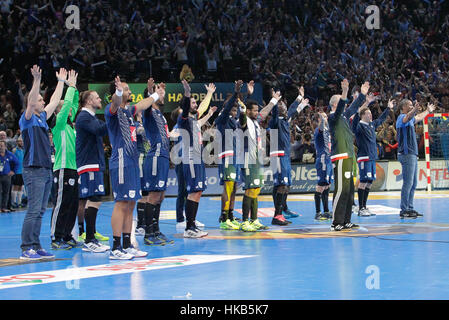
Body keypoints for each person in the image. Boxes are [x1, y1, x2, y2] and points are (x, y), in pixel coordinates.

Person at [105, 76, 163, 259]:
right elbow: (115, 102)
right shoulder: (111, 110)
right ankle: (115, 248)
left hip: (132, 162)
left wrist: (155, 95)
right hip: (121, 161)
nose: (129, 91)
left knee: (130, 204)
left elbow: (143, 104)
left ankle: (126, 244)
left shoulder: (129, 111)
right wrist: (119, 92)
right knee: (121, 203)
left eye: (128, 89)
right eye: (126, 89)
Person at [19, 65, 66, 260]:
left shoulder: (42, 118)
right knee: (33, 209)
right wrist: (36, 80)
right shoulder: (27, 119)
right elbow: (30, 102)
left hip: (46, 169)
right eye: (40, 99)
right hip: (33, 169)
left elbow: (55, 101)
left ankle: (36, 246)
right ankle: (26, 247)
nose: (42, 100)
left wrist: (61, 83)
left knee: (40, 210)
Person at [172, 83, 215, 230]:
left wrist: (209, 94)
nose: (196, 104)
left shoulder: (193, 121)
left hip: (196, 158)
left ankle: (191, 222)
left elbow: (201, 110)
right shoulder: (182, 121)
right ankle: (183, 222)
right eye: (192, 102)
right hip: (186, 159)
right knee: (185, 191)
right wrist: (187, 93)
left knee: (196, 191)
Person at [327, 79, 368, 231]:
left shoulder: (343, 116)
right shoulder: (333, 117)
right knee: (340, 190)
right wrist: (344, 91)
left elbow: (354, 107)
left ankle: (346, 220)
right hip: (340, 156)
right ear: (334, 104)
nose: (344, 105)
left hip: (349, 156)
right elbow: (343, 108)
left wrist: (362, 95)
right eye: (341, 101)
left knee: (350, 190)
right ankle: (336, 222)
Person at [238, 89, 280, 231]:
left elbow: (265, 112)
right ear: (248, 111)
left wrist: (274, 101)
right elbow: (242, 119)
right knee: (250, 190)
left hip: (256, 158)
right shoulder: (244, 121)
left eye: (257, 110)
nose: (256, 113)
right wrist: (242, 109)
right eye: (254, 111)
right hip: (248, 159)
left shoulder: (256, 122)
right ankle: (245, 221)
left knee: (256, 189)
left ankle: (254, 219)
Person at [49, 70, 83, 249]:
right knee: (61, 203)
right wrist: (69, 87)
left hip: (73, 168)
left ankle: (67, 234)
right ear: (58, 111)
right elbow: (70, 102)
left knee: (72, 204)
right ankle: (56, 237)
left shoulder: (70, 126)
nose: (70, 109)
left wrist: (75, 87)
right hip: (62, 168)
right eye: (65, 107)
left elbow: (74, 103)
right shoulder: (58, 123)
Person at [75, 89, 110, 253]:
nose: (100, 100)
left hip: (93, 163)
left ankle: (90, 237)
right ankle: (89, 239)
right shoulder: (84, 117)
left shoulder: (90, 117)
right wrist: (113, 117)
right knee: (93, 198)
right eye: (97, 97)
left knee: (94, 198)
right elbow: (100, 130)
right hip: (89, 164)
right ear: (89, 101)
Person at [141, 78, 174, 245]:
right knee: (153, 196)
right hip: (154, 156)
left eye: (163, 93)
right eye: (160, 94)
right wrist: (150, 91)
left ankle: (156, 230)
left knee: (160, 196)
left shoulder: (161, 114)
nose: (163, 96)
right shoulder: (149, 112)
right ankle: (149, 233)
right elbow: (146, 103)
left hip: (163, 158)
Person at [269, 86, 309, 225]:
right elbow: (275, 113)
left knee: (283, 185)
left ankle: (281, 211)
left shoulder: (285, 119)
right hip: (278, 155)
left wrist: (300, 98)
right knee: (282, 185)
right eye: (281, 105)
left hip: (283, 155)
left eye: (284, 104)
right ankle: (277, 215)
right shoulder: (275, 120)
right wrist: (274, 101)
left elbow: (293, 109)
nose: (284, 106)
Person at [353, 96, 395, 216]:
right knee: (363, 181)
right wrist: (363, 105)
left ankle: (364, 207)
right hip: (364, 158)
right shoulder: (359, 126)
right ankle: (361, 208)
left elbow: (381, 119)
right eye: (368, 113)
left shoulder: (371, 125)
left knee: (370, 181)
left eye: (371, 113)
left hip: (372, 158)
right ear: (362, 115)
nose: (370, 115)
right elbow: (355, 120)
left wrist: (388, 108)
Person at [214, 80, 246, 230]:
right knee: (228, 187)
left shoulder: (234, 119)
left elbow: (239, 111)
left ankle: (231, 215)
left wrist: (244, 95)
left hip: (236, 157)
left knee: (234, 188)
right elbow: (228, 107)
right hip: (227, 156)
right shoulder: (222, 117)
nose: (234, 109)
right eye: (232, 106)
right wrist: (235, 93)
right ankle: (223, 216)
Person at [396, 99, 435, 218]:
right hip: (407, 154)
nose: (412, 106)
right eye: (410, 105)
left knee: (413, 183)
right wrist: (414, 110)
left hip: (412, 154)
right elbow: (408, 117)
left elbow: (418, 117)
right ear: (403, 107)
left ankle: (409, 208)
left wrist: (427, 111)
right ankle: (404, 210)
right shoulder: (401, 118)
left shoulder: (410, 118)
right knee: (408, 183)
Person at [313, 112, 333, 220]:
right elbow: (321, 126)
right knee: (320, 186)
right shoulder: (319, 130)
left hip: (328, 159)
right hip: (322, 160)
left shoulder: (327, 131)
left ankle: (326, 211)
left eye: (326, 116)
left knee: (327, 185)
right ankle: (318, 212)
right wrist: (322, 119)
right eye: (323, 117)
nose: (326, 118)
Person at [0, 140, 18, 212]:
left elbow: (17, 163)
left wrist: (13, 171)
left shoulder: (9, 154)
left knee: (6, 192)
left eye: (2, 145)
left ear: (5, 146)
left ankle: (4, 207)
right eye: (0, 145)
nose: (0, 147)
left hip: (7, 176)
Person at [11, 137, 24, 209]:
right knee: (15, 186)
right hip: (17, 171)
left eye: (22, 142)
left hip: (23, 171)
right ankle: (13, 202)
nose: (21, 143)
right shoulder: (14, 150)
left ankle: (19, 202)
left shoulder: (23, 150)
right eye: (19, 141)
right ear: (17, 142)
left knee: (20, 187)